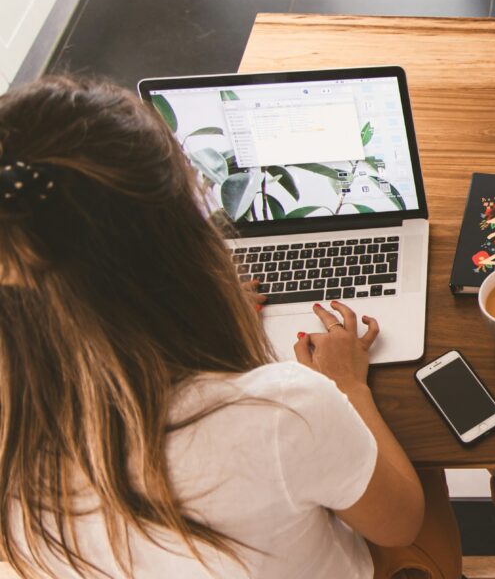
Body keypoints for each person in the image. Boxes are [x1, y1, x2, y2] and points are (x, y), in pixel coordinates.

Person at [0, 76, 461, 578]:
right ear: (181, 250)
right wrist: (347, 386)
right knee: (424, 460)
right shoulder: (283, 410)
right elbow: (400, 525)